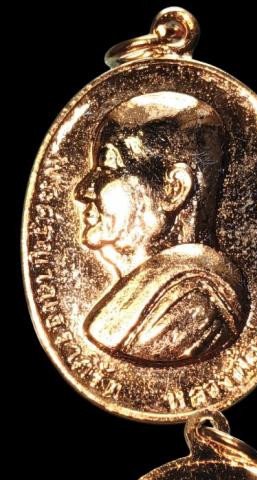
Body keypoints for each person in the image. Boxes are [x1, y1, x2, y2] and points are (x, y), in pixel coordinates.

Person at [76, 91, 248, 366]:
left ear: (173, 189)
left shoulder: (196, 303)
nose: (83, 191)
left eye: (108, 169)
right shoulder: (155, 296)